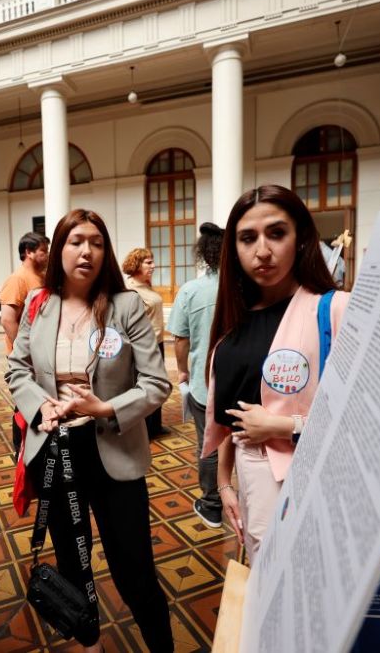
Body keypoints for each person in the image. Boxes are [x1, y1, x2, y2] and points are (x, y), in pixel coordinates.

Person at [6, 209, 173, 653]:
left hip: (113, 447)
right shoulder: (40, 305)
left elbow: (156, 383)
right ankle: (89, 644)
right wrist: (41, 404)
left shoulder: (126, 306)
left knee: (134, 568)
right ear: (58, 249)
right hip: (56, 448)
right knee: (71, 562)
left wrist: (104, 408)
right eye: (76, 241)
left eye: (96, 242)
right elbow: (17, 368)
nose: (87, 251)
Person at [203, 185, 348, 560]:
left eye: (277, 233)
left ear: (300, 239)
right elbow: (231, 418)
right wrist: (224, 486)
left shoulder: (334, 311)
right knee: (266, 582)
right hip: (251, 483)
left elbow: (367, 418)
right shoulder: (233, 322)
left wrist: (285, 427)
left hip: (313, 477)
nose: (262, 251)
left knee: (306, 587)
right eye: (247, 238)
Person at [166, 222, 224, 529]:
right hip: (246, 383)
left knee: (209, 444)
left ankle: (212, 504)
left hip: (206, 384)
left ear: (202, 253)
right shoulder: (247, 287)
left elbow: (180, 340)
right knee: (244, 444)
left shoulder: (191, 290)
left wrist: (184, 372)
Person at [122, 247, 166, 438]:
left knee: (158, 384)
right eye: (148, 262)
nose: (153, 266)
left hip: (158, 342)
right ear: (136, 264)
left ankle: (155, 426)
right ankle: (145, 429)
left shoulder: (146, 285)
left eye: (152, 261)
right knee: (145, 387)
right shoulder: (130, 290)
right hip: (144, 347)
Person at [0, 231, 49, 354]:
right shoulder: (17, 279)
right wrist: (24, 352)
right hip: (27, 356)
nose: (48, 255)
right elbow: (7, 320)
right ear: (29, 252)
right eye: (43, 251)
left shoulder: (42, 277)